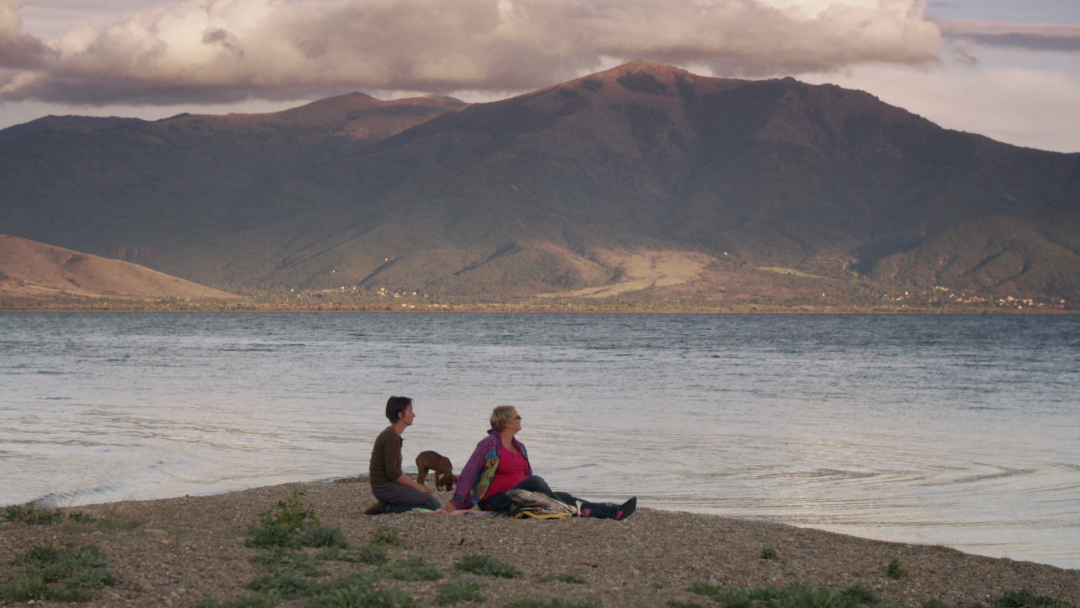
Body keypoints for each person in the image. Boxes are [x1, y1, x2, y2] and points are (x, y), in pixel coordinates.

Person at [444, 405, 636, 520]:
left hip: (521, 496)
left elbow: (526, 476)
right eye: (517, 416)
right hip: (496, 501)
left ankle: (613, 512)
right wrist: (457, 501)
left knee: (564, 496)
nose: (521, 419)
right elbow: (469, 472)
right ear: (507, 423)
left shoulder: (520, 447)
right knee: (536, 482)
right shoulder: (489, 445)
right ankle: (571, 510)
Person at [367, 396, 441, 514]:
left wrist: (416, 486)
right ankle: (387, 508)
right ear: (401, 415)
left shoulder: (393, 435)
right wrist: (419, 488)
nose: (414, 415)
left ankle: (392, 504)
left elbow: (396, 471)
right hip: (384, 488)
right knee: (433, 505)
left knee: (430, 502)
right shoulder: (390, 436)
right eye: (410, 411)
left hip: (389, 485)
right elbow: (393, 473)